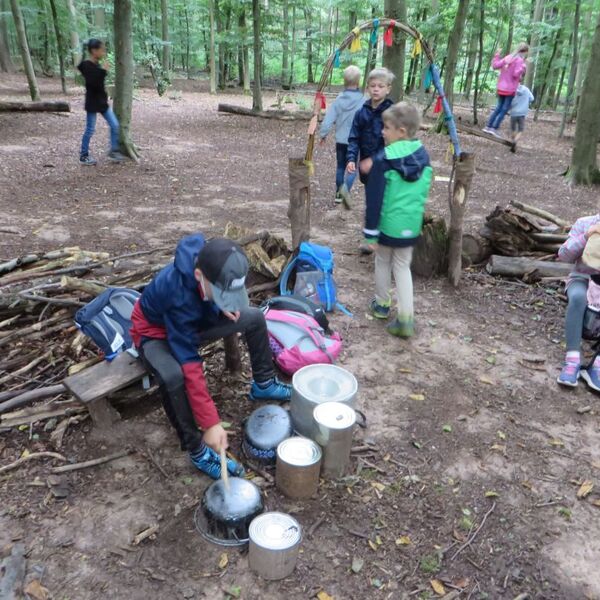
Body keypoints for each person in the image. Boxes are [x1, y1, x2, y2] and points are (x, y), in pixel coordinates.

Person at [130, 234, 292, 479]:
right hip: (155, 333)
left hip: (194, 320)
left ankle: (264, 383)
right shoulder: (178, 296)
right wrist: (211, 424)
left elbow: (212, 294)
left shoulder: (212, 264)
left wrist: (222, 304)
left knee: (254, 317)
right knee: (173, 376)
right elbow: (190, 367)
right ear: (198, 277)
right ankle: (196, 449)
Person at [363, 102, 433, 338]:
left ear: (401, 131)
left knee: (383, 261)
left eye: (386, 127)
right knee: (403, 267)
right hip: (411, 225)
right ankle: (405, 319)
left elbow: (374, 200)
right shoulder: (423, 156)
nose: (382, 131)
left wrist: (370, 232)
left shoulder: (383, 160)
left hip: (387, 225)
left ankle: (382, 305)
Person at [556, 217, 600, 391]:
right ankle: (572, 360)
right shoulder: (584, 223)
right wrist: (586, 235)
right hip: (582, 278)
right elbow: (563, 255)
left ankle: (597, 365)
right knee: (578, 297)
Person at [318, 65, 364, 205]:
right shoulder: (363, 100)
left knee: (340, 167)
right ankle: (345, 193)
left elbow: (328, 119)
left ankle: (339, 193)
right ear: (358, 82)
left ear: (344, 81)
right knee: (352, 168)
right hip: (355, 141)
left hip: (341, 141)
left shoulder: (339, 100)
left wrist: (323, 134)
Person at [77, 39, 126, 166]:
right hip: (92, 103)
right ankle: (84, 155)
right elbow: (93, 83)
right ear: (94, 51)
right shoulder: (87, 65)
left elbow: (99, 82)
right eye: (101, 50)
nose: (103, 52)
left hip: (102, 103)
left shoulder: (96, 65)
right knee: (90, 130)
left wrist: (102, 71)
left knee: (115, 125)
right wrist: (103, 71)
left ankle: (114, 151)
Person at [346, 67, 395, 186]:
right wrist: (351, 159)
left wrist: (378, 160)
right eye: (373, 86)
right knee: (371, 196)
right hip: (366, 167)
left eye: (380, 86)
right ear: (367, 88)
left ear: (388, 89)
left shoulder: (393, 113)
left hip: (387, 167)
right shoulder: (361, 113)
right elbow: (354, 138)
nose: (376, 89)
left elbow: (397, 143)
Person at [483, 42, 529, 138]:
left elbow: (495, 66)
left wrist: (497, 55)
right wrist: (523, 68)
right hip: (510, 89)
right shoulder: (519, 60)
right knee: (504, 109)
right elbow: (516, 74)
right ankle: (494, 128)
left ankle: (488, 126)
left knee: (498, 107)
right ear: (524, 52)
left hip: (501, 87)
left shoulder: (508, 57)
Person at [508, 82, 534, 153]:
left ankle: (513, 142)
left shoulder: (512, 90)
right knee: (520, 130)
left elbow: (509, 100)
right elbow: (532, 99)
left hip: (513, 113)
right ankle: (515, 141)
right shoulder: (526, 89)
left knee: (513, 129)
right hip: (522, 114)